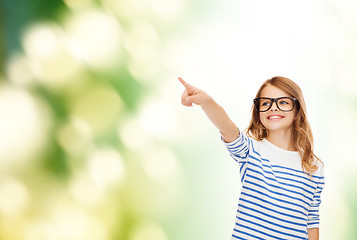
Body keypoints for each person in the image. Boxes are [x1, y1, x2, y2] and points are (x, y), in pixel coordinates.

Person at [178, 76, 324, 240]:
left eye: (283, 102)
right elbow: (225, 125)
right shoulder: (250, 151)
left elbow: (312, 221)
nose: (273, 108)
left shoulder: (314, 166)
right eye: (265, 103)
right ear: (258, 113)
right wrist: (206, 101)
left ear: (297, 110)